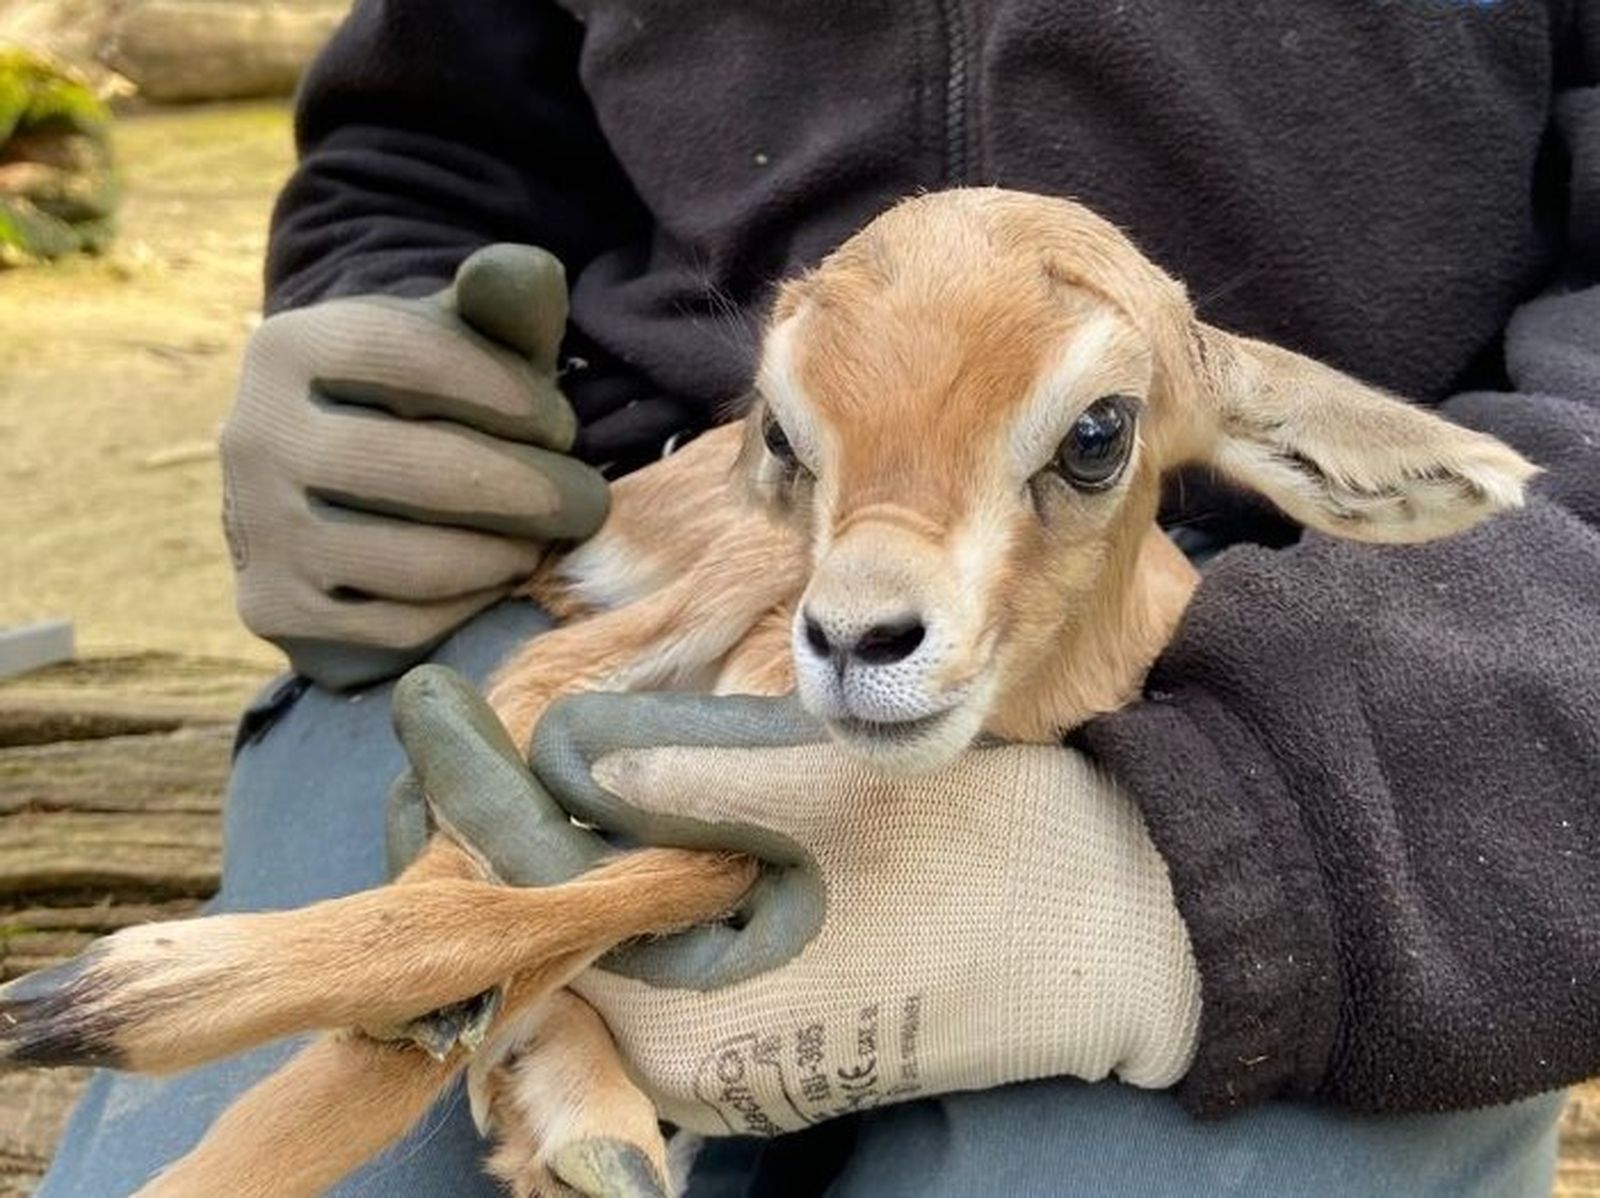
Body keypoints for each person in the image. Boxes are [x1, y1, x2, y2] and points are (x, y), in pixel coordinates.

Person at [40, 1, 1600, 1195]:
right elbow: (425, 147)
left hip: (1372, 690)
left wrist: (1292, 819)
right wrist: (374, 321)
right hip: (649, 536)